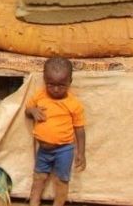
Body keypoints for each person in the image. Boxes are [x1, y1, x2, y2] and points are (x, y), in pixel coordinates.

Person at [26, 57, 86, 206]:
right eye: (51, 85)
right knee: (39, 177)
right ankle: (34, 202)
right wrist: (33, 111)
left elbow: (80, 129)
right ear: (45, 80)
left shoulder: (73, 104)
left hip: (64, 150)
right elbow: (27, 109)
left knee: (61, 180)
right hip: (43, 150)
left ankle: (58, 203)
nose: (56, 89)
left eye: (61, 85)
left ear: (69, 82)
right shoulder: (40, 95)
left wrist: (81, 153)